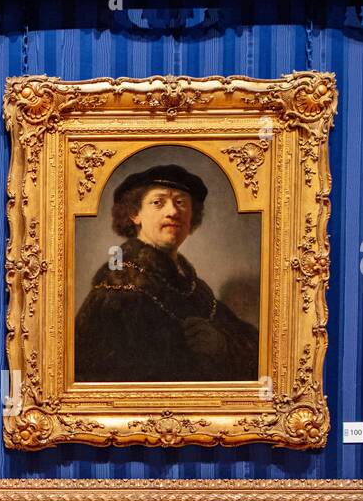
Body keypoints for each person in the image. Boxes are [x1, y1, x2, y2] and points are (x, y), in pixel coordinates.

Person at [74, 163, 259, 383]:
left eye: (180, 202)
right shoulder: (118, 285)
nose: (172, 211)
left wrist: (222, 345)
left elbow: (258, 352)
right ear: (135, 214)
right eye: (158, 202)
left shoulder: (194, 287)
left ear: (192, 215)